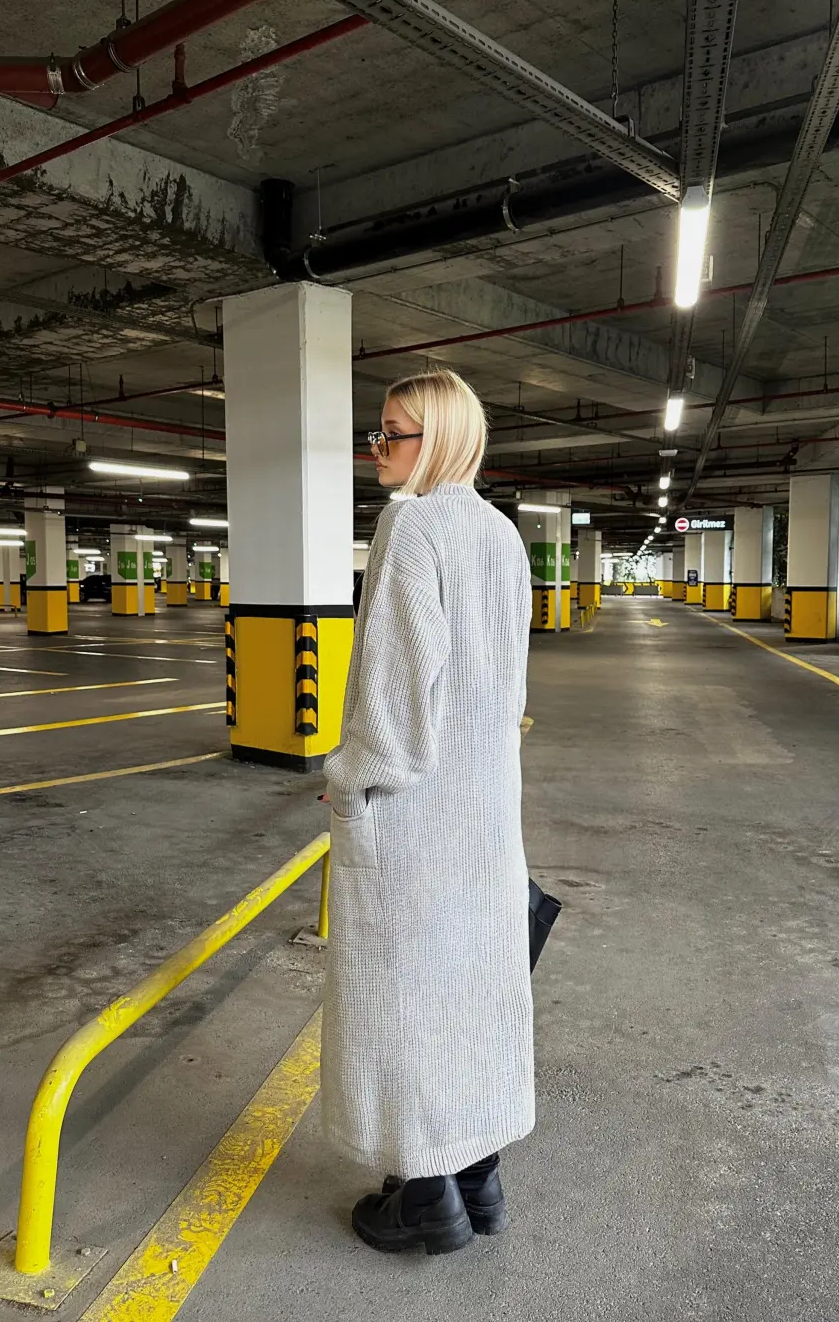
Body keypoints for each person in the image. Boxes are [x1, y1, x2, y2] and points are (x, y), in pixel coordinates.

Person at [322, 368, 535, 1256]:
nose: (377, 447)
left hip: (414, 817)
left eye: (393, 433)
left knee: (404, 998)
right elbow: (505, 689)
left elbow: (395, 701)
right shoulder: (502, 535)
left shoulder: (410, 527)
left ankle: (424, 1193)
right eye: (377, 432)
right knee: (472, 992)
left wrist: (347, 779)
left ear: (439, 437)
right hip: (485, 815)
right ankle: (476, 1173)